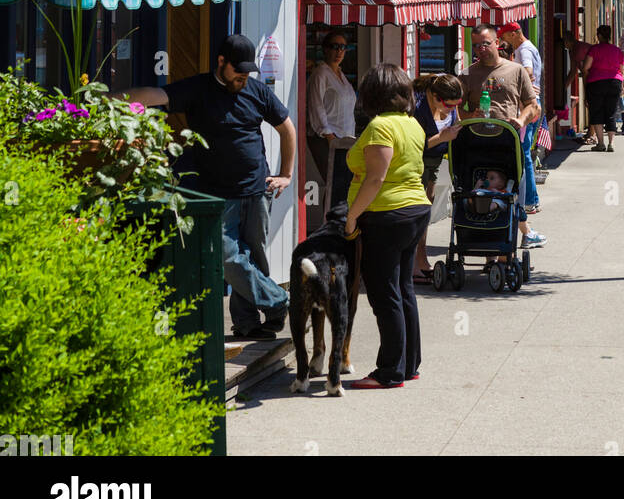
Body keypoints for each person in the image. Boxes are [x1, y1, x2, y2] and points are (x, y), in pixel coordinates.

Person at [114, 34, 294, 341]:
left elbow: (286, 128)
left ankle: (248, 323)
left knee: (255, 258)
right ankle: (279, 301)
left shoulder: (257, 91)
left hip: (256, 188)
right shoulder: (197, 89)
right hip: (218, 194)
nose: (243, 76)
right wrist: (111, 100)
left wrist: (286, 175)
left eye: (248, 71)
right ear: (221, 62)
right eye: (238, 69)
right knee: (226, 256)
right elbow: (154, 95)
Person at [345, 63, 432, 389]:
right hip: (412, 211)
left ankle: (390, 371)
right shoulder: (412, 124)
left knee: (385, 295)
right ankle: (409, 364)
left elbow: (376, 178)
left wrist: (353, 214)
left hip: (386, 215)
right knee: (403, 289)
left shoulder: (380, 126)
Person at [460, 27, 546, 249]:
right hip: (476, 144)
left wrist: (521, 120)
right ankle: (485, 241)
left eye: (486, 43)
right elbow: (456, 110)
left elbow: (533, 106)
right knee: (475, 188)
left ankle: (505, 248)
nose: (482, 49)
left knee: (512, 191)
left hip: (507, 143)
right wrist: (470, 115)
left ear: (497, 42)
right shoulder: (468, 74)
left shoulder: (516, 71)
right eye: (477, 45)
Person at [412, 72, 463, 283]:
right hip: (417, 163)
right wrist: (441, 137)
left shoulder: (449, 103)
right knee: (417, 213)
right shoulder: (418, 108)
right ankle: (416, 264)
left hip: (434, 162)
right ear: (434, 96)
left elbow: (457, 122)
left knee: (425, 213)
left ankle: (420, 261)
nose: (452, 109)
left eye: (456, 104)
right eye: (448, 105)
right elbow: (413, 143)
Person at [306, 30, 356, 207]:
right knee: (334, 182)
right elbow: (316, 105)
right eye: (334, 47)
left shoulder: (341, 75)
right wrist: (328, 136)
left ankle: (339, 224)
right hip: (326, 138)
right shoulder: (321, 73)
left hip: (345, 139)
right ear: (325, 49)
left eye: (343, 47)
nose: (339, 51)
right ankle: (330, 224)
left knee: (343, 184)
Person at [499, 20, 542, 215]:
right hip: (531, 104)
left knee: (524, 155)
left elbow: (528, 72)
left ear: (515, 33)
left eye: (505, 36)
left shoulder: (524, 50)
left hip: (527, 107)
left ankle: (530, 201)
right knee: (525, 154)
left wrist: (513, 86)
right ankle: (530, 199)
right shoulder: (530, 47)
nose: (503, 40)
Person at [579, 24, 624, 151]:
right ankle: (611, 143)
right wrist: (622, 85)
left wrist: (586, 80)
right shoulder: (617, 50)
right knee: (611, 112)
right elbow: (621, 70)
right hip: (614, 83)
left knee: (597, 111)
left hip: (597, 83)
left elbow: (586, 68)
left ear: (599, 35)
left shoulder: (594, 49)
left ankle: (601, 143)